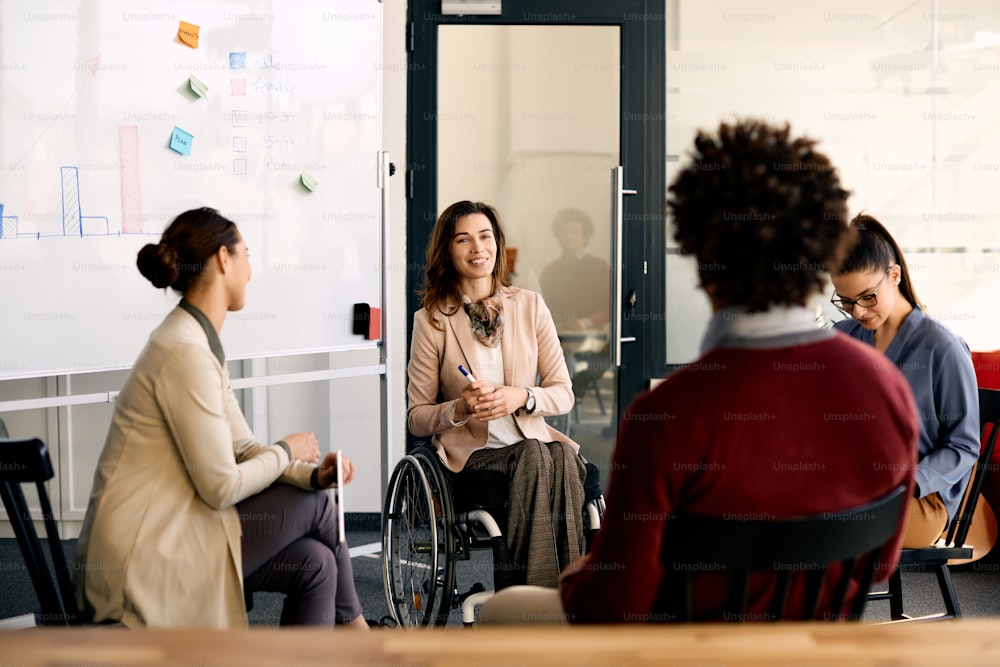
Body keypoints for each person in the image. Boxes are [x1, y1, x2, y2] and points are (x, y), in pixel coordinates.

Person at [481, 119, 921, 624]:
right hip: (818, 649)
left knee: (502, 610)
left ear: (701, 258)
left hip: (689, 649)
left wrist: (581, 576)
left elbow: (614, 604)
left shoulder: (664, 418)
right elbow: (883, 562)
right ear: (821, 253)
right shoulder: (886, 387)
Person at [74, 207, 367, 629]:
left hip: (183, 532)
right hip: (145, 559)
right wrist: (287, 451)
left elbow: (245, 449)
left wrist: (308, 474)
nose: (250, 271)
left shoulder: (198, 342)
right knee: (322, 508)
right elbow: (219, 487)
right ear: (223, 259)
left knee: (316, 561)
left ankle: (350, 636)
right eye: (246, 255)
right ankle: (360, 634)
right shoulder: (184, 352)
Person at [406, 200, 585, 588]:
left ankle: (553, 598)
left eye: (485, 236)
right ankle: (542, 602)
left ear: (498, 244)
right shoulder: (432, 320)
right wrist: (459, 407)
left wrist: (520, 396)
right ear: (447, 252)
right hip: (474, 454)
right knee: (538, 456)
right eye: (464, 240)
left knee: (562, 458)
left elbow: (563, 393)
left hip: (531, 441)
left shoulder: (530, 306)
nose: (478, 248)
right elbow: (416, 415)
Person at [830, 214, 985, 550]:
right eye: (845, 301)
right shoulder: (843, 338)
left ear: (895, 275)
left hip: (918, 500)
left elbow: (964, 446)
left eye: (867, 297)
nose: (856, 311)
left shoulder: (942, 347)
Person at [539, 208, 610, 333]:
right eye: (564, 232)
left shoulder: (600, 267)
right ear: (558, 236)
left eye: (574, 232)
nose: (569, 237)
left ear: (585, 237)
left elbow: (609, 307)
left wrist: (586, 322)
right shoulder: (549, 272)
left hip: (592, 337)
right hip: (557, 335)